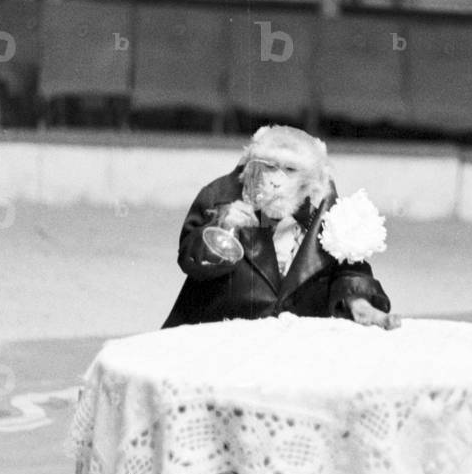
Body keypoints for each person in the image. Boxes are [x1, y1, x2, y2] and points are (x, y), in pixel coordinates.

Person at [161, 124, 398, 329]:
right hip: (222, 327)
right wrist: (221, 226)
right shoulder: (221, 195)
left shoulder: (329, 210)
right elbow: (189, 262)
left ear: (312, 178)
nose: (275, 180)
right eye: (269, 166)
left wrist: (357, 300)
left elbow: (345, 268)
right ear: (252, 165)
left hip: (296, 338)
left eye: (290, 170)